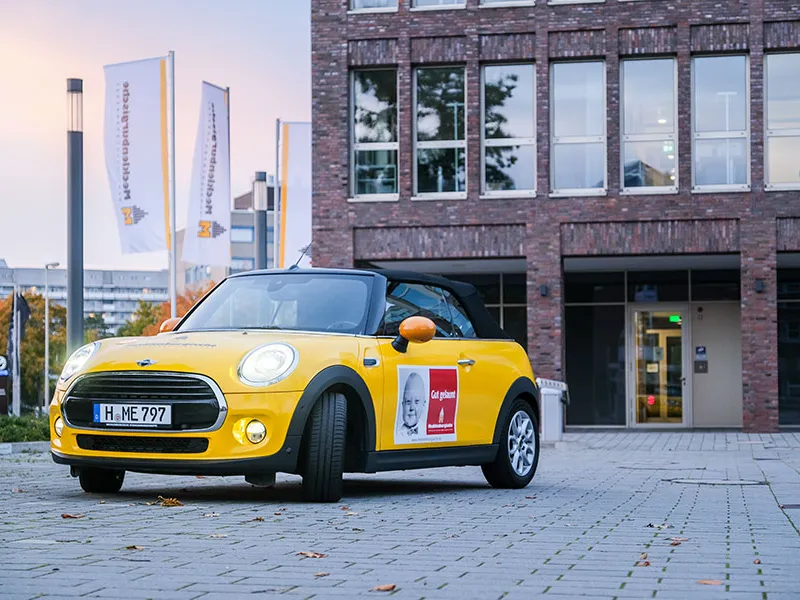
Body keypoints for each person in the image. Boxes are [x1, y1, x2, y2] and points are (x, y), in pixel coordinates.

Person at [397, 371, 426, 439]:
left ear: (423, 406)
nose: (412, 407)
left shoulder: (426, 430)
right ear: (402, 405)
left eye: (417, 402)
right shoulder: (397, 433)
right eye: (408, 402)